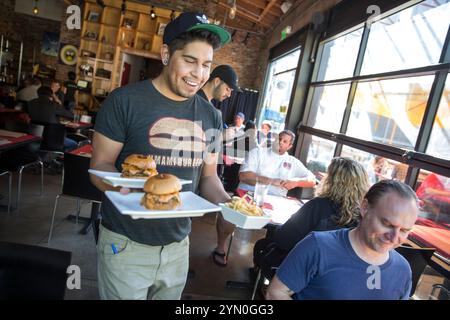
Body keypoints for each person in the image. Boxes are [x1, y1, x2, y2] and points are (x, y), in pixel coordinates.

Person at [89, 12, 232, 300]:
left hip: (178, 245)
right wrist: (122, 188)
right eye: (189, 61)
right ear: (166, 53)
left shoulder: (212, 116)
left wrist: (231, 207)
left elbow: (209, 177)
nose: (198, 74)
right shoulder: (124, 101)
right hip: (126, 242)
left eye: (206, 65)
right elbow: (98, 166)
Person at [266, 180, 419, 300]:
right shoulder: (317, 246)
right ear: (365, 207)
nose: (394, 238)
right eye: (387, 224)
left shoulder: (403, 270)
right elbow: (275, 293)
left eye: (404, 230)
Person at [253, 157, 369, 279]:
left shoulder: (317, 206)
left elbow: (283, 240)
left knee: (261, 244)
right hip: (334, 275)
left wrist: (278, 229)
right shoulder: (362, 217)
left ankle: (260, 284)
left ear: (332, 181)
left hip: (300, 270)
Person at [213, 130, 316, 266]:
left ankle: (265, 262)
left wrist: (296, 182)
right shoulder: (258, 152)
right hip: (248, 197)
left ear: (290, 146)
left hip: (276, 202)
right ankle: (220, 247)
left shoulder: (292, 162)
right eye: (279, 138)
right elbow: (243, 176)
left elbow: (312, 180)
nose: (280, 142)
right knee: (226, 212)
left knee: (295, 222)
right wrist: (271, 181)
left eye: (285, 141)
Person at [27, 86, 77, 151]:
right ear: (51, 95)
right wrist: (57, 101)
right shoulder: (54, 105)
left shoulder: (30, 103)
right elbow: (71, 115)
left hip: (33, 137)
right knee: (74, 144)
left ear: (38, 93)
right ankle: (59, 158)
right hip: (52, 140)